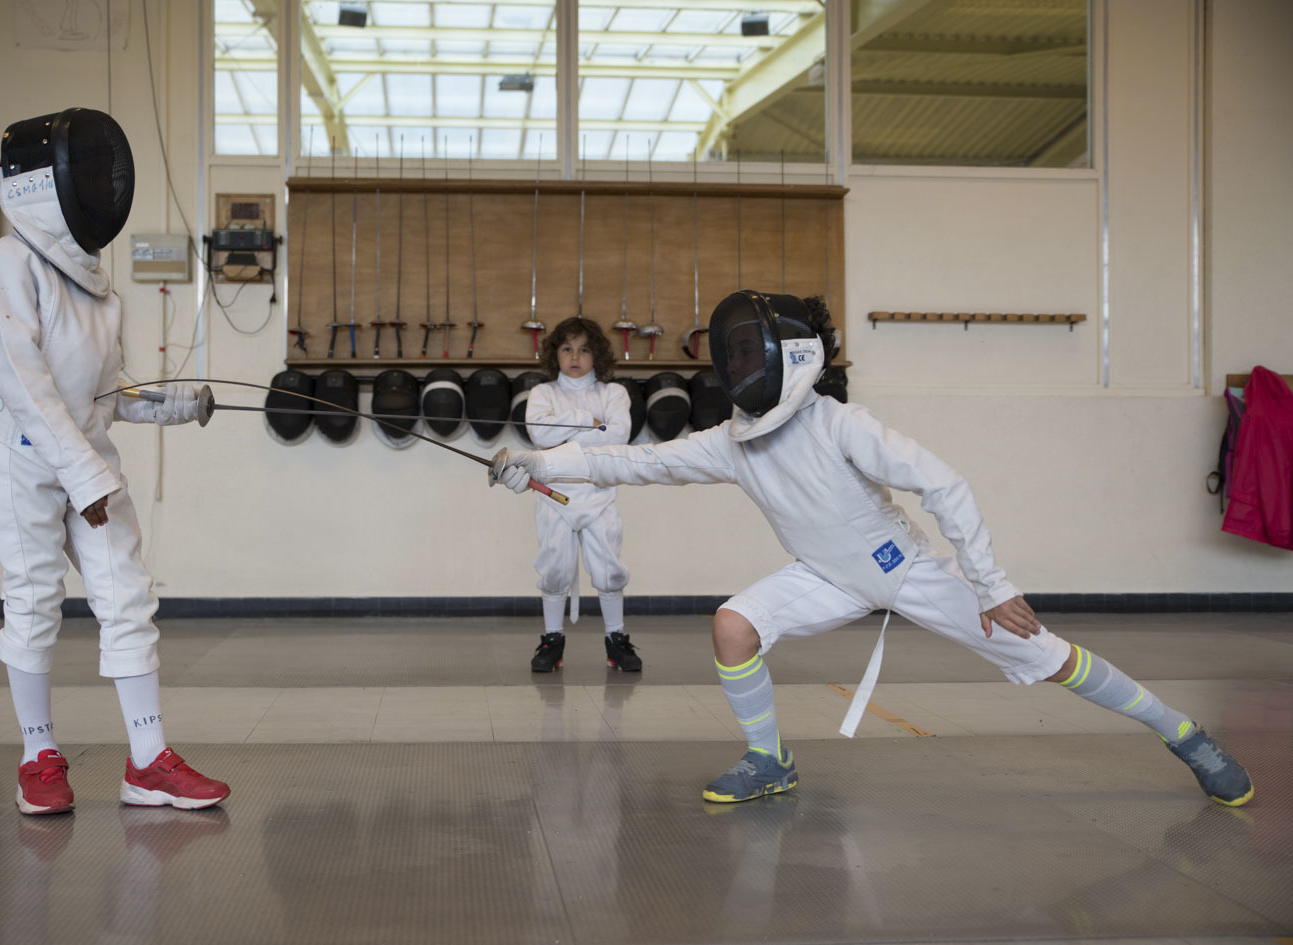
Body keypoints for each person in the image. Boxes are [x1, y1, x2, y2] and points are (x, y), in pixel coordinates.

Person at [490, 289, 1253, 807]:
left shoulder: (837, 424)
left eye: (749, 352)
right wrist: (539, 463)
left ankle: (1181, 731)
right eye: (733, 355)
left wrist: (989, 584)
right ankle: (773, 761)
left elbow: (945, 485)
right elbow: (637, 463)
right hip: (827, 577)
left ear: (786, 355)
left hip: (907, 571)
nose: (737, 366)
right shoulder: (732, 442)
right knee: (733, 625)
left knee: (1049, 656)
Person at [0, 108, 229, 814]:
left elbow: (102, 394)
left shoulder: (95, 286)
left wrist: (179, 402)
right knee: (33, 599)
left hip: (89, 460)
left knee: (128, 595)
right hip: (24, 463)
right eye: (81, 171)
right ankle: (39, 755)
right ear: (36, 183)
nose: (95, 183)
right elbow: (25, 385)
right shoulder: (7, 264)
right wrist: (85, 478)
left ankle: (148, 761)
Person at [521, 317, 639, 673]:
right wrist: (590, 422)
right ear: (555, 353)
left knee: (608, 570)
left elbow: (618, 435)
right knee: (554, 568)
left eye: (584, 349)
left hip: (598, 492)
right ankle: (552, 640)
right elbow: (540, 436)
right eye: (567, 348)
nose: (575, 356)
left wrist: (567, 431)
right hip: (553, 493)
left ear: (596, 355)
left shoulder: (613, 393)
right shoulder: (543, 394)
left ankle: (616, 640)